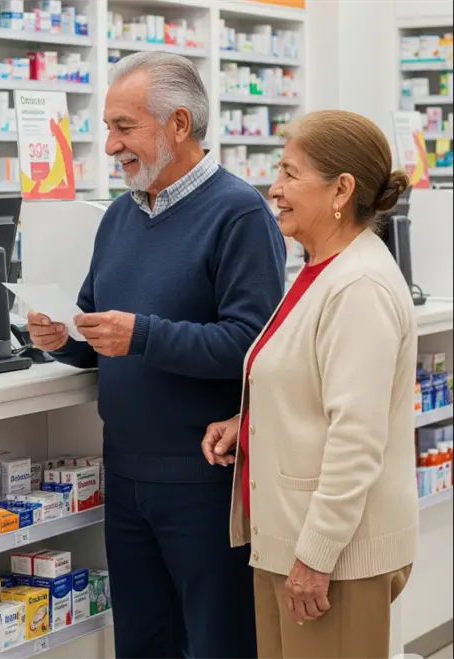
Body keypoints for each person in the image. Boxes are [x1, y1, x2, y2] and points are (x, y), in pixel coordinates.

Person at [27, 52, 286, 659]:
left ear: (176, 125)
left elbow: (252, 344)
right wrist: (62, 338)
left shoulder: (239, 213)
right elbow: (101, 334)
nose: (111, 145)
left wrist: (140, 334)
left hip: (204, 478)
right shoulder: (119, 215)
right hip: (124, 472)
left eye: (124, 126)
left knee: (217, 641)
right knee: (142, 642)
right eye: (109, 128)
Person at [201, 110, 418, 659]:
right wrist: (246, 423)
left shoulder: (359, 286)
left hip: (331, 559)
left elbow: (357, 437)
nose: (274, 188)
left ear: (341, 188)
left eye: (291, 173)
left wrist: (316, 557)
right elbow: (310, 386)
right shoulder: (318, 268)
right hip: (288, 544)